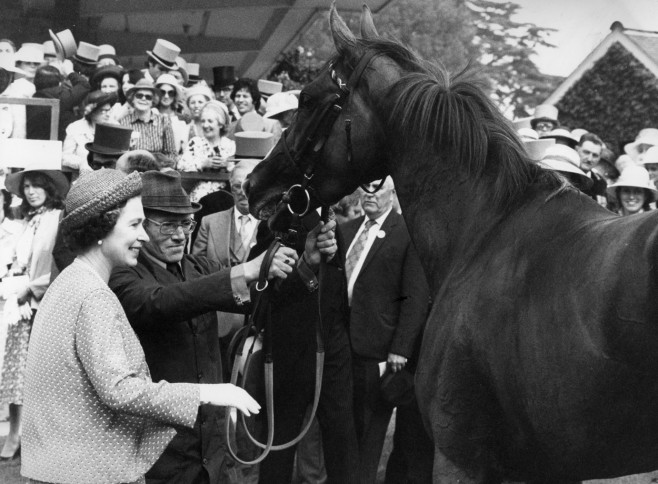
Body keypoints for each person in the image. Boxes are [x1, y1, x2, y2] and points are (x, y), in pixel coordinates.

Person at [21, 169, 260, 484]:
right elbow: (120, 391)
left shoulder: (70, 282)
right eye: (135, 224)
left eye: (184, 224)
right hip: (84, 472)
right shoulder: (93, 294)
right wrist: (207, 392)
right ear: (101, 228)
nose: (145, 235)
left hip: (60, 466)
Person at [109, 170, 335, 483]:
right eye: (167, 225)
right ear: (141, 226)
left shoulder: (196, 266)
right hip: (159, 451)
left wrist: (304, 266)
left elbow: (259, 304)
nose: (179, 235)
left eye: (185, 224)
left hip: (209, 450)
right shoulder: (123, 276)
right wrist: (245, 270)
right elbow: (159, 302)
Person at [340, 177, 430, 483]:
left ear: (393, 194)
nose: (369, 195)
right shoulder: (347, 231)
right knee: (342, 429)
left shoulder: (407, 233)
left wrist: (401, 348)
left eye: (377, 190)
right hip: (341, 346)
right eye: (365, 189)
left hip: (377, 350)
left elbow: (415, 297)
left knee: (368, 433)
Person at [1, 165, 69, 460]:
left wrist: (32, 287)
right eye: (26, 187)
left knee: (39, 375)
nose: (30, 191)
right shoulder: (27, 221)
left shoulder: (57, 218)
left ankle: (35, 437)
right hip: (19, 305)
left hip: (41, 302)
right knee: (15, 373)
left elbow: (60, 263)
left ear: (48, 188)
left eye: (36, 186)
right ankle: (15, 434)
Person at [192, 159, 259, 379]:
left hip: (256, 318)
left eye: (248, 185)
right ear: (230, 188)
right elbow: (195, 268)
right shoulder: (210, 222)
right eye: (237, 186)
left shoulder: (272, 224)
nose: (243, 192)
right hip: (219, 319)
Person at [178, 100, 235, 202]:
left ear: (220, 124)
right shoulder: (195, 143)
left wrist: (228, 165)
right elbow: (181, 166)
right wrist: (203, 164)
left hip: (224, 196)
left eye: (210, 121)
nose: (205, 125)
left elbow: (238, 170)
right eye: (203, 121)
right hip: (199, 196)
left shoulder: (230, 145)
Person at [27, 64, 91, 141]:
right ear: (59, 83)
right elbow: (84, 85)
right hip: (58, 147)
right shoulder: (62, 98)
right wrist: (70, 72)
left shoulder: (31, 98)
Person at [62, 90, 117, 173]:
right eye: (104, 111)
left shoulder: (115, 126)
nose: (108, 114)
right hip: (82, 177)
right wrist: (82, 163)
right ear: (92, 112)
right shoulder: (75, 127)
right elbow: (65, 156)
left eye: (109, 110)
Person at [120, 78, 176, 158]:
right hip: (132, 168)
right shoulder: (123, 123)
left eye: (148, 97)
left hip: (158, 168)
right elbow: (121, 154)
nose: (143, 99)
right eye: (139, 96)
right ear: (132, 99)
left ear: (153, 101)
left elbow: (171, 153)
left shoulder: (164, 121)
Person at [155, 73, 188, 156]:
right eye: (162, 92)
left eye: (170, 93)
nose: (166, 96)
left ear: (175, 95)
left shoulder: (182, 119)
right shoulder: (151, 114)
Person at [575, 132, 607, 204]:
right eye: (586, 152)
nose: (589, 159)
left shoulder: (600, 183)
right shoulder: (565, 176)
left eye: (595, 155)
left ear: (599, 158)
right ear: (576, 150)